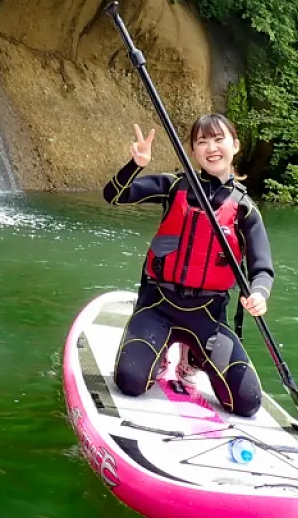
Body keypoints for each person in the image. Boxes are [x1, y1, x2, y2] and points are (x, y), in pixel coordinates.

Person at [103, 114, 274, 417]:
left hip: (207, 315)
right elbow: (114, 195)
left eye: (219, 139)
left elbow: (261, 268)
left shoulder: (245, 208)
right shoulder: (174, 186)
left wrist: (259, 294)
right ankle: (161, 357)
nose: (211, 147)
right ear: (193, 152)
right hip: (158, 306)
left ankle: (192, 357)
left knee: (247, 403)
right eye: (202, 141)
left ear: (235, 145)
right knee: (130, 381)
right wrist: (136, 164)